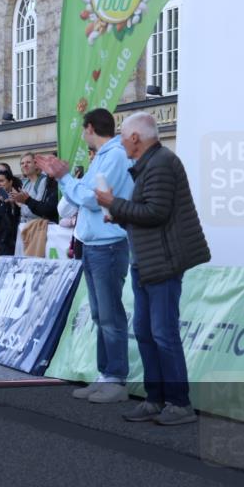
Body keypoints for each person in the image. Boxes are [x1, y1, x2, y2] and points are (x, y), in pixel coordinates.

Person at [97, 112, 210, 426]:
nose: (121, 141)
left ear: (135, 137)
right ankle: (156, 398)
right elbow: (148, 212)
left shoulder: (160, 164)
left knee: (163, 334)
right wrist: (118, 213)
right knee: (146, 332)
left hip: (161, 263)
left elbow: (156, 212)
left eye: (123, 136)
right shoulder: (151, 164)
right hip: (146, 262)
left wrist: (114, 204)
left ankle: (179, 403)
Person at [38, 108, 134, 404]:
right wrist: (69, 181)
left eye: (83, 130)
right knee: (99, 313)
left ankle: (116, 378)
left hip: (109, 244)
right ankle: (105, 374)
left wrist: (65, 177)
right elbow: (83, 194)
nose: (83, 136)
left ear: (90, 128)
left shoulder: (115, 155)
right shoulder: (106, 156)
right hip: (94, 245)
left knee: (109, 314)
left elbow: (90, 199)